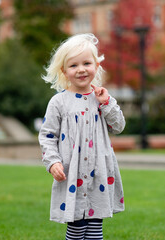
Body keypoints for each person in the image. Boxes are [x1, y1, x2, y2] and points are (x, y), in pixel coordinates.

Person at [39, 33, 125, 240]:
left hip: (99, 172)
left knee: (95, 226)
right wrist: (52, 162)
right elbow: (47, 135)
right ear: (64, 71)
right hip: (72, 172)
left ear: (96, 65)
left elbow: (118, 126)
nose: (81, 69)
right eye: (74, 65)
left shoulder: (102, 98)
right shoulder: (59, 102)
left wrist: (107, 103)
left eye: (86, 63)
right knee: (77, 226)